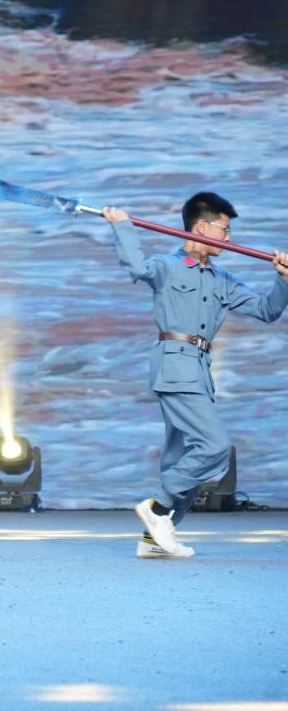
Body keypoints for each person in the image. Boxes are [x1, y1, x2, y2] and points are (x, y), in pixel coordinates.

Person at [102, 192, 288, 559]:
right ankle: (157, 508)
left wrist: (283, 279)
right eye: (225, 229)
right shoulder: (167, 266)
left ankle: (155, 540)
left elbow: (267, 310)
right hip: (175, 367)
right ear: (202, 227)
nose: (229, 237)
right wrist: (122, 226)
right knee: (214, 447)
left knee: (180, 460)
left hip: (199, 373)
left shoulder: (223, 280)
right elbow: (137, 267)